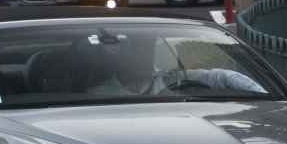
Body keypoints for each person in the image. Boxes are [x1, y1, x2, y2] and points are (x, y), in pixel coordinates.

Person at [87, 33, 267, 98]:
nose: (146, 57)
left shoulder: (172, 79)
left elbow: (222, 76)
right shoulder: (99, 95)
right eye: (138, 51)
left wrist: (264, 97)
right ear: (122, 56)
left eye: (149, 50)